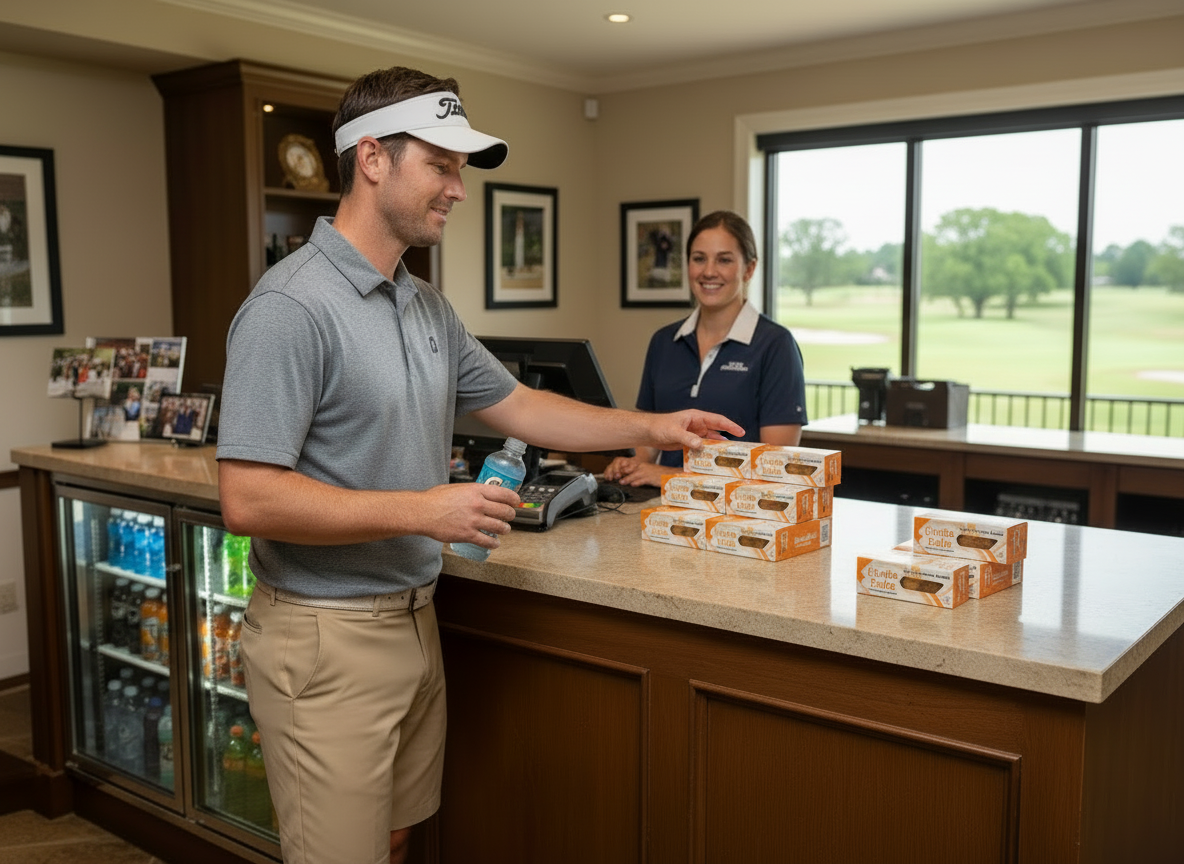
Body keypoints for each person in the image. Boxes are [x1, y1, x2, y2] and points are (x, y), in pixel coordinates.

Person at [215, 66, 743, 864]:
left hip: (415, 619)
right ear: (372, 159)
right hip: (325, 636)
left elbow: (523, 405)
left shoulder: (423, 302)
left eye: (460, 169)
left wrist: (655, 422)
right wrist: (427, 510)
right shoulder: (289, 309)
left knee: (394, 839)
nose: (458, 190)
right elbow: (248, 499)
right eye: (442, 165)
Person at [604, 210, 807, 488]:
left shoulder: (776, 345)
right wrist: (633, 463)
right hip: (660, 507)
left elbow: (776, 466)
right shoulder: (664, 341)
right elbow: (649, 440)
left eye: (724, 260)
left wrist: (672, 476)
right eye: (699, 259)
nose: (709, 271)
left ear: (749, 269)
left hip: (739, 518)